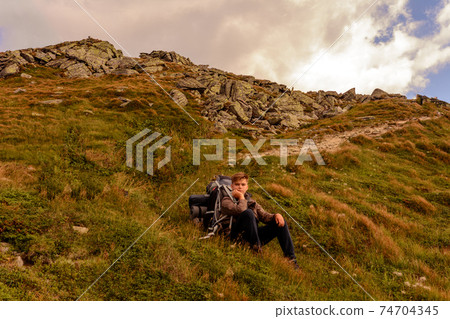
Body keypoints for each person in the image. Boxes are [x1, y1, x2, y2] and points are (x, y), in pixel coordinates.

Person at [221, 172, 299, 268]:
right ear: (232, 186)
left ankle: (291, 260)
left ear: (247, 187)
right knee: (248, 213)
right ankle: (256, 251)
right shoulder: (226, 200)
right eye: (237, 184)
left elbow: (265, 216)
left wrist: (276, 215)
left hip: (252, 236)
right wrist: (241, 198)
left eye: (243, 184)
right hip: (235, 236)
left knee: (280, 221)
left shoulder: (252, 202)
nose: (240, 187)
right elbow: (241, 210)